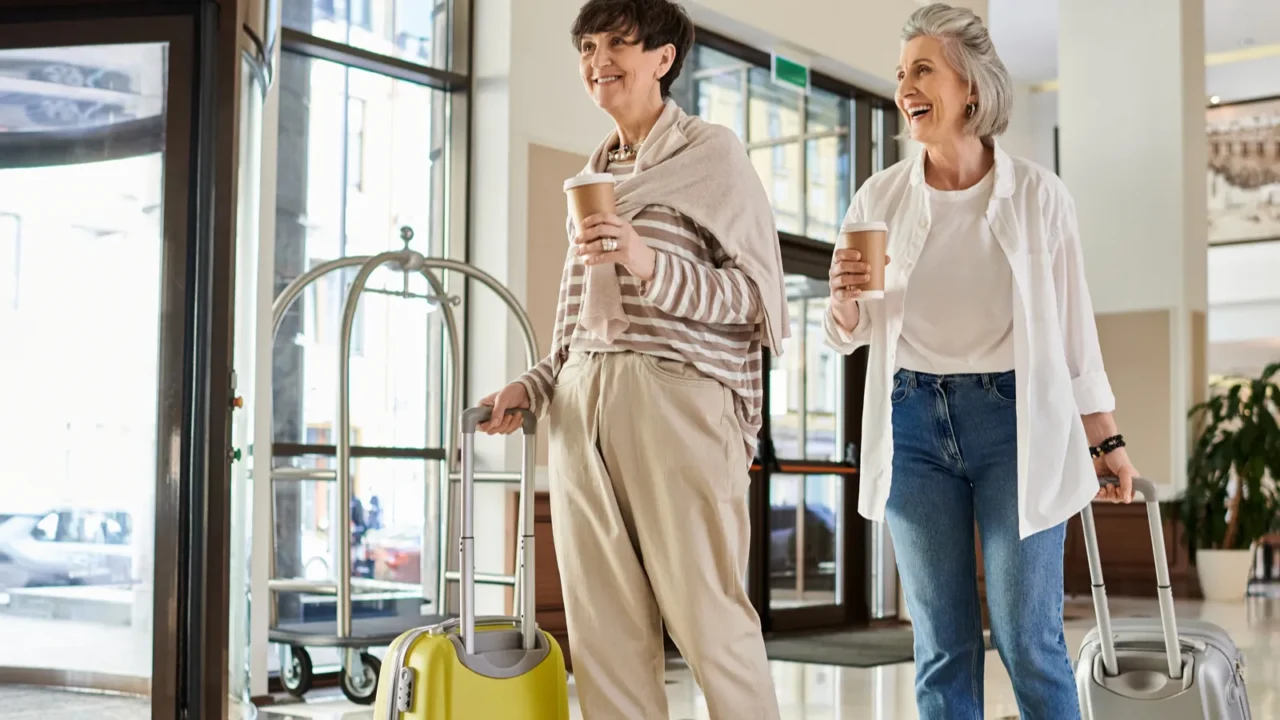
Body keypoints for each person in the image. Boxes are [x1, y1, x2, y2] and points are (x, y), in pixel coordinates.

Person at [824, 4, 1140, 718]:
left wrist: (1106, 437)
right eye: (902, 73)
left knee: (1029, 638)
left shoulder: (1038, 196)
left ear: (971, 86)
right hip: (912, 422)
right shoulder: (879, 199)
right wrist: (842, 301)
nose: (906, 86)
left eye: (923, 70)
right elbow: (849, 332)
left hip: (1015, 422)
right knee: (940, 645)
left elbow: (1071, 327)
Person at [477, 0, 788, 717]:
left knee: (712, 620)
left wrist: (649, 263)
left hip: (676, 398)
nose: (598, 61)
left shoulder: (712, 156)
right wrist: (537, 382)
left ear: (663, 58)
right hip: (582, 400)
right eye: (587, 47)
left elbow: (755, 301)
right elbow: (575, 313)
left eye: (618, 43)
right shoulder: (595, 175)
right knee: (603, 633)